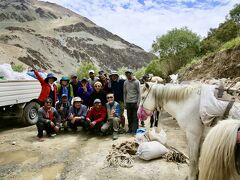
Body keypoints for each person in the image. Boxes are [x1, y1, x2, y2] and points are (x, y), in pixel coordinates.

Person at [123, 69, 141, 134]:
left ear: (132, 74)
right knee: (129, 117)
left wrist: (138, 103)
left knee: (135, 117)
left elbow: (139, 93)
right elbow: (124, 93)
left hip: (135, 102)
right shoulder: (125, 82)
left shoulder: (136, 82)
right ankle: (130, 129)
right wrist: (125, 103)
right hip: (128, 102)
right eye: (126, 74)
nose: (128, 75)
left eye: (129, 73)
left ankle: (135, 130)